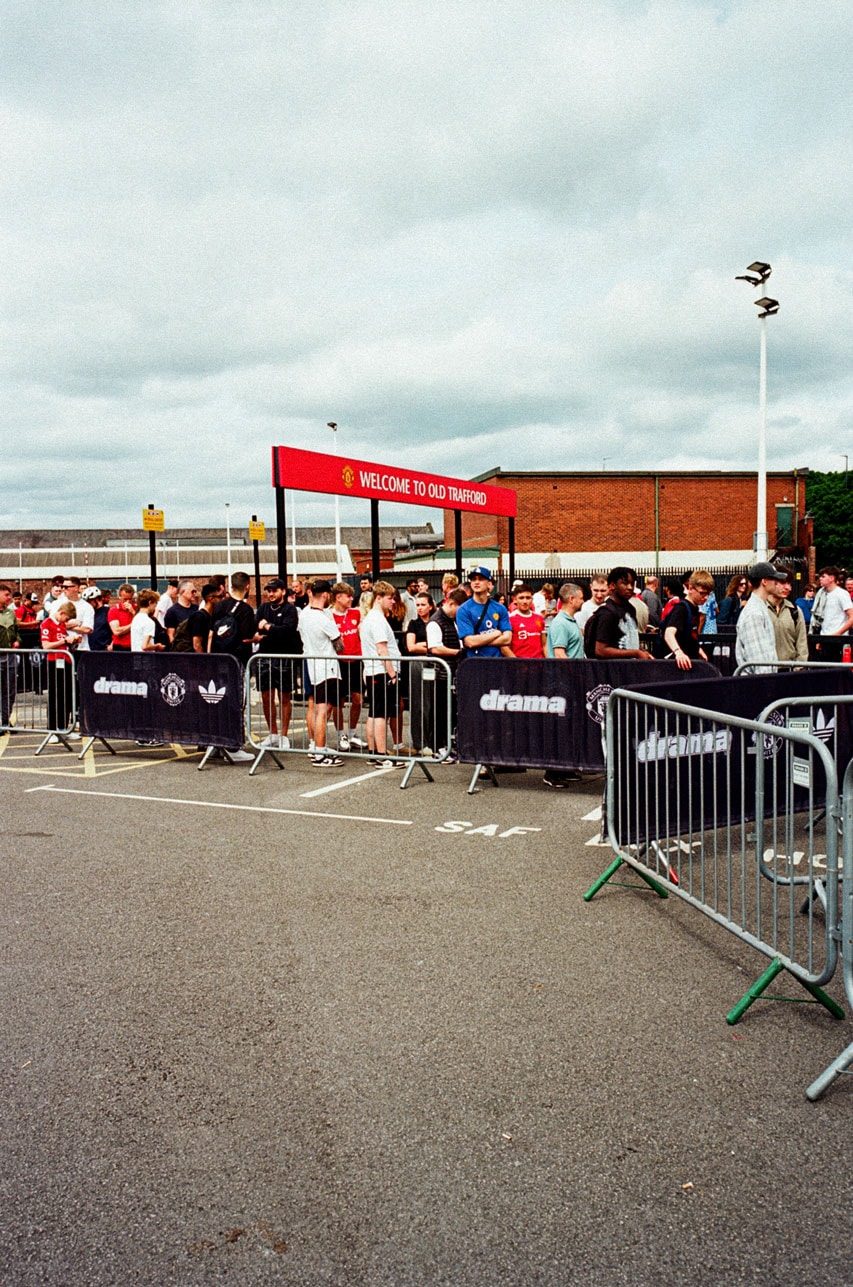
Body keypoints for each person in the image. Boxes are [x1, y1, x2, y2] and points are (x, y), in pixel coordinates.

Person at [297, 578, 344, 767]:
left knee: (321, 709)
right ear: (325, 595)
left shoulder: (305, 614)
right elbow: (340, 646)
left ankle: (319, 746)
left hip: (313, 666)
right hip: (328, 667)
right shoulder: (323, 619)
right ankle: (319, 752)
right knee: (322, 711)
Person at [359, 581, 404, 766]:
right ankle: (382, 754)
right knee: (381, 714)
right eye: (389, 598)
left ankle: (373, 752)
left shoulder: (371, 618)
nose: (393, 602)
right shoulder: (376, 620)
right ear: (378, 598)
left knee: (374, 712)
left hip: (373, 671)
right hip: (381, 672)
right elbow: (382, 649)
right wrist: (392, 674)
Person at [253, 578, 301, 749]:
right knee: (266, 697)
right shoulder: (263, 607)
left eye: (274, 590)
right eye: (269, 591)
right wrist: (270, 628)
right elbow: (256, 627)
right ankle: (272, 733)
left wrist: (268, 627)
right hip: (264, 656)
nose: (271, 594)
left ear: (283, 591)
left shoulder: (290, 609)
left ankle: (284, 735)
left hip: (284, 657)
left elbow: (287, 631)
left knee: (284, 697)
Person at [426, 587, 465, 760]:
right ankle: (437, 746)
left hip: (451, 672)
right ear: (451, 604)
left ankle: (447, 744)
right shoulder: (436, 622)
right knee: (440, 711)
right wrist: (457, 652)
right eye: (460, 608)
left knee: (450, 710)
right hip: (441, 673)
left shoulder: (452, 620)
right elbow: (434, 647)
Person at [589, 567, 653, 662]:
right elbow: (600, 650)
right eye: (625, 583)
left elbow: (631, 639)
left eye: (632, 584)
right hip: (613, 672)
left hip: (630, 669)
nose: (630, 588)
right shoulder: (606, 613)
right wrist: (635, 653)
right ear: (612, 585)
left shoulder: (631, 609)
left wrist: (642, 652)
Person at [330, 582, 365, 751]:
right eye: (348, 596)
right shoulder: (329, 615)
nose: (352, 599)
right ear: (338, 597)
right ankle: (340, 735)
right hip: (339, 663)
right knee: (339, 701)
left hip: (356, 661)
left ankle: (352, 733)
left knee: (358, 699)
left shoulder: (356, 613)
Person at [735, 562, 787, 671]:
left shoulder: (758, 608)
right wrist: (767, 684)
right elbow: (759, 661)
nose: (777, 583)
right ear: (764, 581)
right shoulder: (754, 613)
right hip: (757, 684)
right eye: (774, 579)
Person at [455, 567, 512, 657]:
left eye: (481, 579)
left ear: (489, 584)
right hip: (475, 662)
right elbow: (470, 642)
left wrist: (479, 641)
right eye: (473, 579)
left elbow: (507, 639)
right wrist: (496, 633)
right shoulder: (463, 609)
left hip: (497, 662)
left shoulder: (500, 608)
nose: (476, 582)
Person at [663, 570, 714, 670]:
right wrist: (678, 652)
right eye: (702, 593)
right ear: (690, 588)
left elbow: (690, 636)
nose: (706, 597)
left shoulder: (694, 608)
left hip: (687, 661)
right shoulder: (681, 608)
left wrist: (698, 650)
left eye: (708, 594)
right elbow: (668, 633)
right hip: (677, 665)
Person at [405, 591, 436, 753]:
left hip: (436, 665)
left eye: (423, 605)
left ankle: (435, 741)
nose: (420, 608)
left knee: (434, 703)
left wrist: (424, 645)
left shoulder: (436, 621)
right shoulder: (413, 624)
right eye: (417, 605)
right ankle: (420, 742)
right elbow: (411, 646)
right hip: (418, 665)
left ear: (430, 606)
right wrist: (429, 645)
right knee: (419, 703)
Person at [40, 601, 77, 736]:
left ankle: (64, 727)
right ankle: (52, 729)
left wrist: (72, 641)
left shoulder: (61, 625)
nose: (66, 621)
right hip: (54, 662)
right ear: (61, 613)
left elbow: (64, 643)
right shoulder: (47, 624)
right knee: (55, 696)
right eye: (66, 619)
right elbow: (46, 645)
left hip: (65, 661)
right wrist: (64, 641)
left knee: (66, 696)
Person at [810, 567, 853, 651]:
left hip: (838, 639)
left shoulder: (841, 594)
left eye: (823, 576)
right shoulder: (821, 593)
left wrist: (838, 633)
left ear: (831, 578)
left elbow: (851, 617)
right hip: (824, 637)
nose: (820, 579)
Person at [771, 576, 808, 664]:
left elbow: (802, 643)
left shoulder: (794, 611)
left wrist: (798, 667)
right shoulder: (760, 610)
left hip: (789, 669)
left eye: (789, 583)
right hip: (765, 670)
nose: (788, 588)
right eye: (783, 582)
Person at [0, 583, 22, 731]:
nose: (9, 598)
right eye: (6, 595)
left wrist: (17, 640)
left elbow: (17, 631)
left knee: (10, 690)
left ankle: (5, 720)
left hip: (10, 656)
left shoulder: (10, 613)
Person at [546, 584, 585, 659]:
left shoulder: (568, 621)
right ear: (571, 599)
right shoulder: (560, 623)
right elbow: (559, 655)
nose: (583, 601)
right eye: (581, 598)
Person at [509, 584, 546, 658]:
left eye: (528, 598)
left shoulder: (539, 618)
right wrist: (516, 662)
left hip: (539, 665)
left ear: (532, 599)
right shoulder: (510, 619)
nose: (525, 601)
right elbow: (505, 647)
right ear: (515, 600)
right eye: (521, 598)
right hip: (520, 666)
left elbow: (544, 645)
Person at [163, 580, 199, 645]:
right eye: (192, 591)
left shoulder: (196, 608)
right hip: (182, 650)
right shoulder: (172, 611)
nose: (194, 594)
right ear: (182, 591)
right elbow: (170, 635)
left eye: (195, 591)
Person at [108, 584, 136, 650]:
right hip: (120, 646)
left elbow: (142, 623)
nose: (128, 601)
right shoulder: (114, 610)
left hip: (134, 645)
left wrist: (133, 612)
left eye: (130, 599)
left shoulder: (137, 609)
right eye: (125, 599)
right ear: (120, 597)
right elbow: (116, 631)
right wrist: (133, 625)